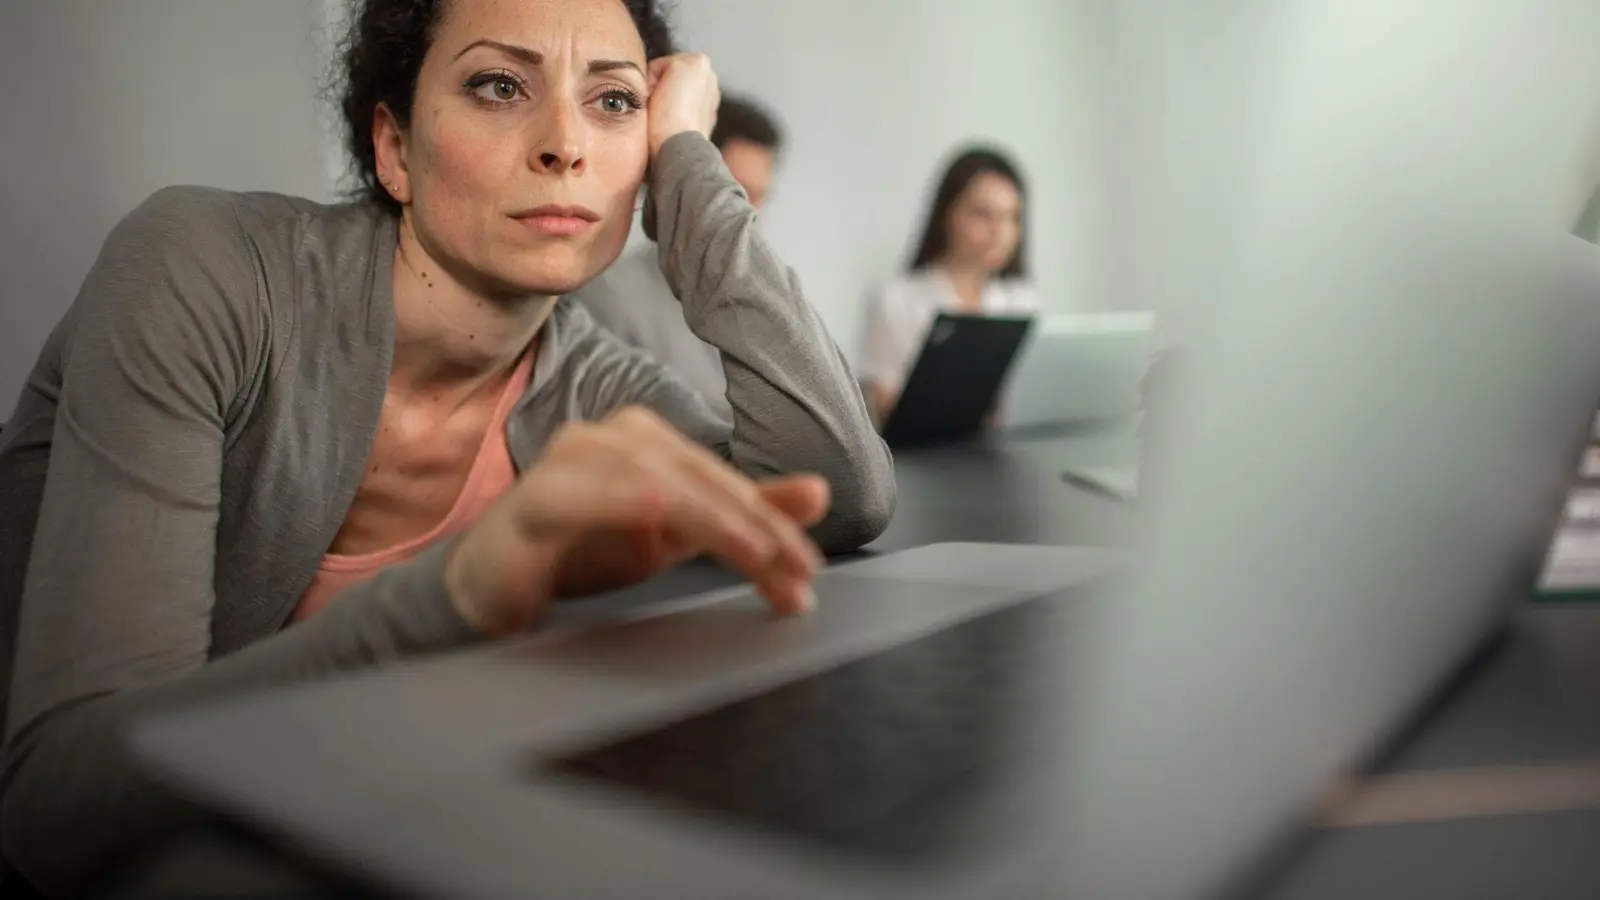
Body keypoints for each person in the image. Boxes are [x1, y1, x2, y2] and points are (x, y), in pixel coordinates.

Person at [0, 0, 893, 893]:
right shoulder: (204, 270)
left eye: (615, 104)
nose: (564, 145)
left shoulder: (590, 380)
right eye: (500, 86)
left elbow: (836, 493)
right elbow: (55, 807)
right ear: (393, 150)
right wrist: (454, 596)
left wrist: (693, 170)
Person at [571, 94, 785, 420]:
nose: (750, 217)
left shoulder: (763, 299)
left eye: (759, 197)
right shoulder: (606, 299)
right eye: (738, 192)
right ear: (686, 181)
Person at [859, 146, 1040, 424]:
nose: (999, 233)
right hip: (923, 459)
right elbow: (887, 409)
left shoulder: (1023, 301)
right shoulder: (896, 299)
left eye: (1011, 217)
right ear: (947, 213)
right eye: (983, 214)